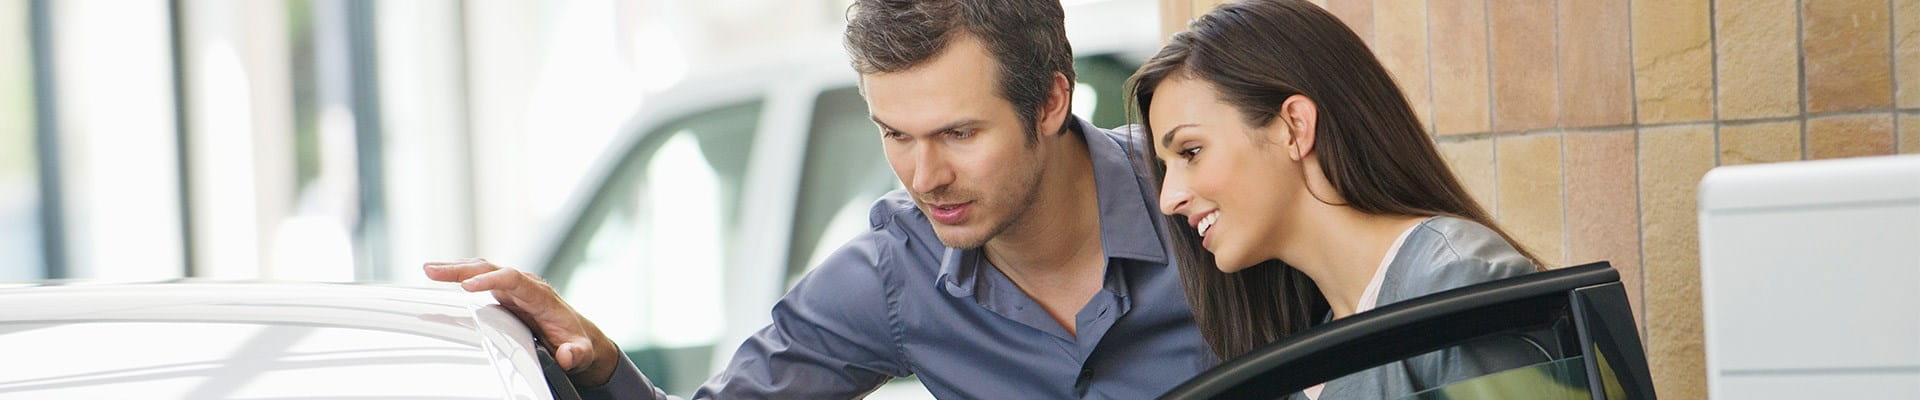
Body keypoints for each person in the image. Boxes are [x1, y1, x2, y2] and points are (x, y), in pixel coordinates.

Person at [425, 0, 1213, 398]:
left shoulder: (1204, 201)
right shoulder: (895, 275)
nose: (923, 175)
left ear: (1049, 103)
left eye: (959, 134)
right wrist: (598, 364)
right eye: (894, 134)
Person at [1129, 0, 1550, 398]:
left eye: (1190, 152)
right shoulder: (1307, 343)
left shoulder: (1452, 281)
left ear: (1293, 126)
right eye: (1167, 167)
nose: (1169, 199)